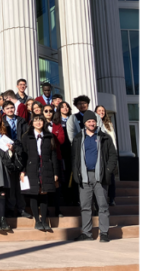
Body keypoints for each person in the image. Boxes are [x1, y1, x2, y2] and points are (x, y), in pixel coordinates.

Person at [71, 111, 118, 243]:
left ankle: (104, 233)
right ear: (84, 123)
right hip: (84, 177)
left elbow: (113, 156)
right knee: (85, 206)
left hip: (100, 176)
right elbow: (74, 158)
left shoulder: (104, 137)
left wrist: (108, 171)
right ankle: (86, 233)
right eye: (89, 121)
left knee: (102, 206)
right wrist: (76, 173)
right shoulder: (78, 138)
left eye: (93, 121)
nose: (91, 123)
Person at [21, 115, 57, 232]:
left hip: (45, 167)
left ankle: (44, 220)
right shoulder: (27, 137)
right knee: (34, 194)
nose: (38, 123)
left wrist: (56, 172)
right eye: (36, 120)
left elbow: (54, 155)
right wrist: (22, 171)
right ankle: (37, 220)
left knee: (44, 194)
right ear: (32, 123)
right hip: (31, 168)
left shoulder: (49, 136)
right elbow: (23, 155)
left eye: (40, 120)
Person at [42, 104, 67, 216]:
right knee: (44, 183)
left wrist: (50, 136)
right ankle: (45, 209)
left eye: (50, 111)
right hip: (43, 158)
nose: (48, 113)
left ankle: (57, 210)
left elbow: (61, 140)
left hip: (56, 157)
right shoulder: (39, 124)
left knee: (57, 183)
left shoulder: (57, 125)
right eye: (46, 111)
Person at [94, 105, 118, 206]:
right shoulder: (93, 123)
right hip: (98, 154)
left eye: (103, 110)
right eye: (99, 110)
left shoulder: (109, 124)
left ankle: (111, 198)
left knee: (110, 176)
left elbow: (113, 139)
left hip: (109, 154)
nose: (101, 112)